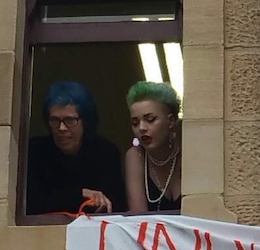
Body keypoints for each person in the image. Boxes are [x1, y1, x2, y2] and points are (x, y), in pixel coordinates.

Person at [26, 81, 126, 215]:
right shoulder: (34, 150)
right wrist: (81, 194)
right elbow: (31, 206)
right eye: (55, 120)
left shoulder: (105, 152)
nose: (61, 128)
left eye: (70, 120)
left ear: (85, 121)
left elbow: (116, 207)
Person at [124, 82, 182, 213]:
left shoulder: (188, 151)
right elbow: (139, 218)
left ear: (171, 121)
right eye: (135, 123)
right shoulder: (136, 156)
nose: (142, 128)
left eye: (150, 119)